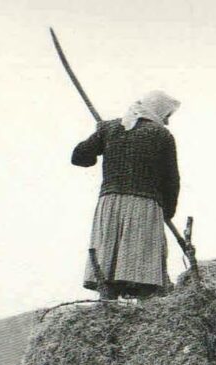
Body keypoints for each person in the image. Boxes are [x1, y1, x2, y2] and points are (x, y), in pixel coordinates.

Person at [72, 91, 181, 300]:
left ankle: (107, 306)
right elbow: (171, 180)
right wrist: (167, 211)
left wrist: (99, 135)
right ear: (157, 111)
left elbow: (80, 157)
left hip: (110, 205)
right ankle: (145, 310)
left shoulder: (112, 128)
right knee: (143, 270)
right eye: (167, 115)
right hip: (144, 206)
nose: (167, 121)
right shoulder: (162, 135)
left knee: (109, 264)